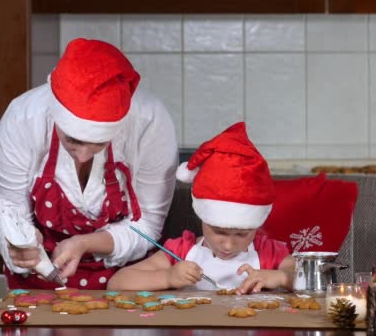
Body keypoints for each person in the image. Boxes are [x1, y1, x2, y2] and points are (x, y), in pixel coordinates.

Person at [0, 38, 178, 289]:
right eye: (73, 141)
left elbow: (147, 227)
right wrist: (18, 247)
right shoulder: (23, 119)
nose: (83, 157)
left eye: (99, 144)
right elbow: (7, 215)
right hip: (37, 279)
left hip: (126, 281)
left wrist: (85, 243)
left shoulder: (149, 122)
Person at [107, 122, 295, 294]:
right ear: (203, 218)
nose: (228, 245)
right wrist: (167, 277)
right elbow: (118, 282)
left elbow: (316, 281)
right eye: (219, 232)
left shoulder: (268, 253)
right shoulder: (182, 251)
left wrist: (281, 277)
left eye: (241, 234)